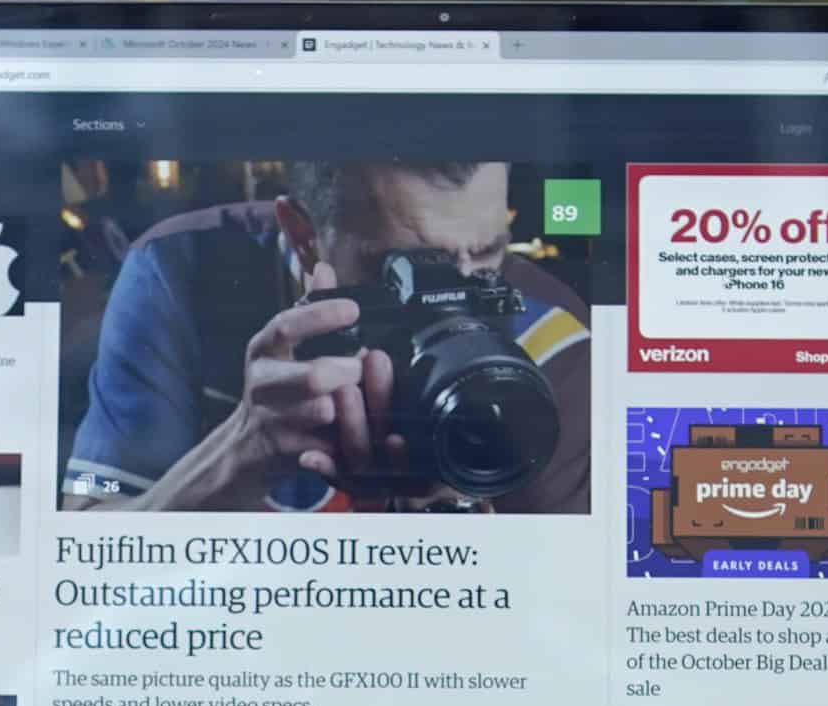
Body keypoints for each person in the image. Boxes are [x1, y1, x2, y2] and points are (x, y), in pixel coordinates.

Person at [62, 161, 590, 513]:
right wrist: (244, 451)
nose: (456, 294)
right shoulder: (180, 269)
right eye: (411, 269)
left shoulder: (550, 333)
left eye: (487, 254)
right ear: (304, 235)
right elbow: (87, 534)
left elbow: (578, 606)